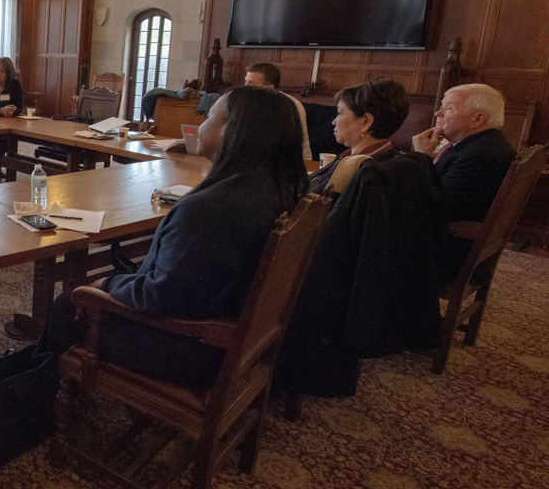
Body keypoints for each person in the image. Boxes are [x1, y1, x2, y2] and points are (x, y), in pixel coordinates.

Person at [39, 86, 309, 389]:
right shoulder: (280, 189)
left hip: (188, 348)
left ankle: (40, 399)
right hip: (235, 336)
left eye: (208, 116)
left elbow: (160, 296)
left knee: (69, 302)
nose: (200, 124)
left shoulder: (211, 209)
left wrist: (104, 284)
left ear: (228, 131)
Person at [412, 83, 516, 222]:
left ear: (477, 119)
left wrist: (420, 157)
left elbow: (432, 206)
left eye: (449, 108)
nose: (438, 113)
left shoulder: (480, 155)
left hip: (443, 238)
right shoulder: (485, 143)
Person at [308, 78, 409, 197]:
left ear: (366, 122)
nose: (334, 121)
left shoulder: (358, 170)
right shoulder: (384, 159)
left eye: (340, 113)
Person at [244, 62, 312, 162]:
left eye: (251, 83)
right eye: (245, 82)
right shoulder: (242, 103)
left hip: (283, 165)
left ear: (269, 88)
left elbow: (301, 144)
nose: (245, 87)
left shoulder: (291, 105)